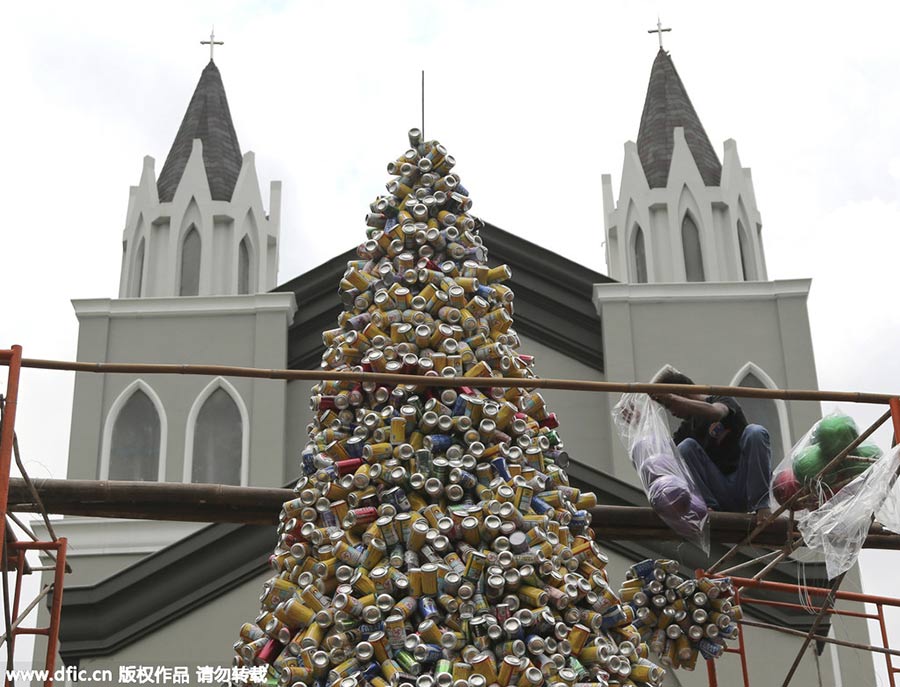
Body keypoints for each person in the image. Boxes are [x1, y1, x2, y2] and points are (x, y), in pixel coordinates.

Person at [651, 368, 772, 518]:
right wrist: (639, 425)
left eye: (669, 406)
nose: (672, 413)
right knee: (684, 448)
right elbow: (664, 456)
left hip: (746, 485)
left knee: (755, 432)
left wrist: (674, 399)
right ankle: (710, 509)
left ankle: (762, 506)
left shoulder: (721, 399)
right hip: (720, 492)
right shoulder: (687, 429)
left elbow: (717, 412)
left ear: (681, 395)